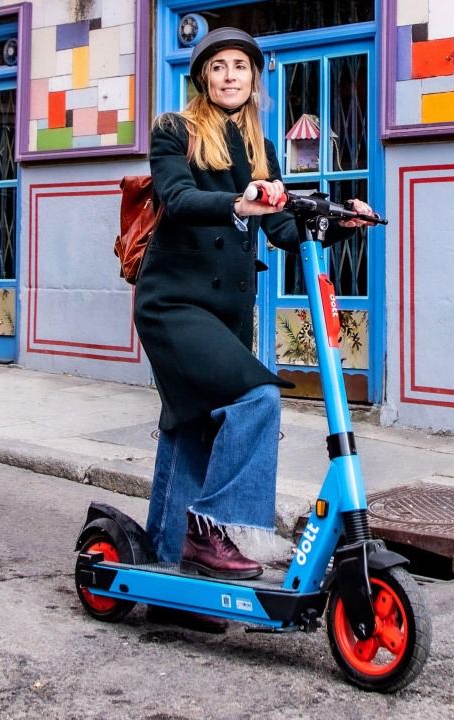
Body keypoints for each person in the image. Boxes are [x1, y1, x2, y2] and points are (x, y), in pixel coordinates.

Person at [133, 27, 374, 633]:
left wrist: (341, 222)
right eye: (219, 67)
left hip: (224, 316)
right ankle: (217, 534)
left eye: (240, 66)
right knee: (259, 395)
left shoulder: (259, 144)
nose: (230, 76)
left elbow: (281, 231)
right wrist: (238, 204)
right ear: (203, 79)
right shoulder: (175, 131)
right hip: (173, 306)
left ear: (253, 78)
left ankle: (170, 584)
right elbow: (179, 199)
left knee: (192, 427)